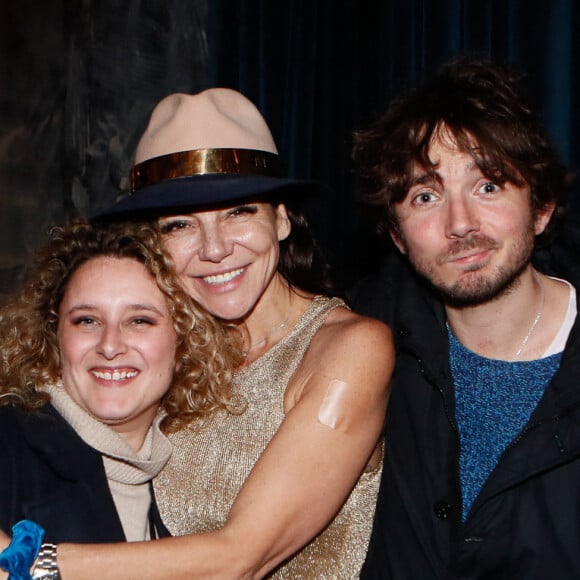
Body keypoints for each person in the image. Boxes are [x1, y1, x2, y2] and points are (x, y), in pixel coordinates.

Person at [0, 88, 393, 579]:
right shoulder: (169, 353)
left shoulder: (350, 348)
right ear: (154, 243)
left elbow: (240, 558)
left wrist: (25, 563)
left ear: (283, 218)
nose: (214, 249)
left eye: (239, 212)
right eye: (181, 224)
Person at [351, 57, 580, 579]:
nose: (460, 224)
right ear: (396, 236)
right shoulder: (370, 349)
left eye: (489, 186)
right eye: (426, 196)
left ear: (541, 207)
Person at [0, 221, 238, 553]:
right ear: (53, 336)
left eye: (140, 320)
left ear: (185, 342)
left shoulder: (200, 468)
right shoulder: (10, 448)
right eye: (87, 320)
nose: (110, 345)